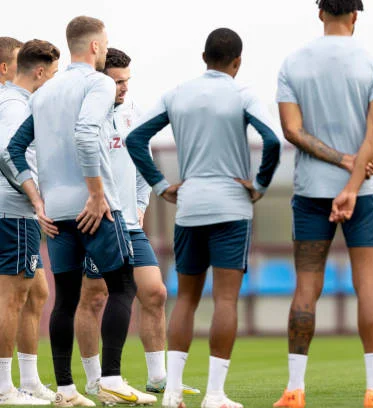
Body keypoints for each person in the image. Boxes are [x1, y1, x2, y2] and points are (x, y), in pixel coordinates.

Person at [3, 16, 156, 406]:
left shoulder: (45, 92)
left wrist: (38, 201)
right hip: (94, 208)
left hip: (55, 213)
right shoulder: (99, 83)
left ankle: (67, 390)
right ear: (95, 46)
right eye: (104, 43)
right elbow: (86, 134)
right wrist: (96, 193)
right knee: (123, 286)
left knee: (66, 299)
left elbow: (12, 150)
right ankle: (112, 379)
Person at [126, 27, 282, 408]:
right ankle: (214, 395)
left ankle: (172, 392)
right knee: (225, 300)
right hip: (232, 208)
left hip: (189, 207)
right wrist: (260, 184)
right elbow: (273, 140)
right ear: (238, 62)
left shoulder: (176, 94)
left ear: (203, 58)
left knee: (185, 300)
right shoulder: (243, 94)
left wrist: (161, 186)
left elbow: (135, 139)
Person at [273, 1, 373, 407]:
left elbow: (292, 130)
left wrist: (339, 161)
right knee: (368, 286)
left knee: (306, 287)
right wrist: (351, 184)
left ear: (321, 14)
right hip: (364, 193)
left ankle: (294, 390)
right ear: (355, 16)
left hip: (310, 190)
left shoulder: (292, 63)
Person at [74, 48, 198, 397]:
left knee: (155, 292)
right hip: (97, 221)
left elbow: (143, 165)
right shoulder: (86, 116)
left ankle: (158, 377)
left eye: (127, 80)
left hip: (129, 223)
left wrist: (142, 205)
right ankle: (95, 380)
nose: (124, 87)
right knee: (94, 297)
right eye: (117, 82)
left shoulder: (135, 113)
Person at [0, 39, 59, 406]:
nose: (53, 80)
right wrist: (35, 197)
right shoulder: (15, 105)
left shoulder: (17, 102)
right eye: (53, 74)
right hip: (15, 213)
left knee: (37, 292)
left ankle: (30, 381)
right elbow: (8, 153)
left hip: (16, 214)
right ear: (39, 72)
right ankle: (4, 387)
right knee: (12, 297)